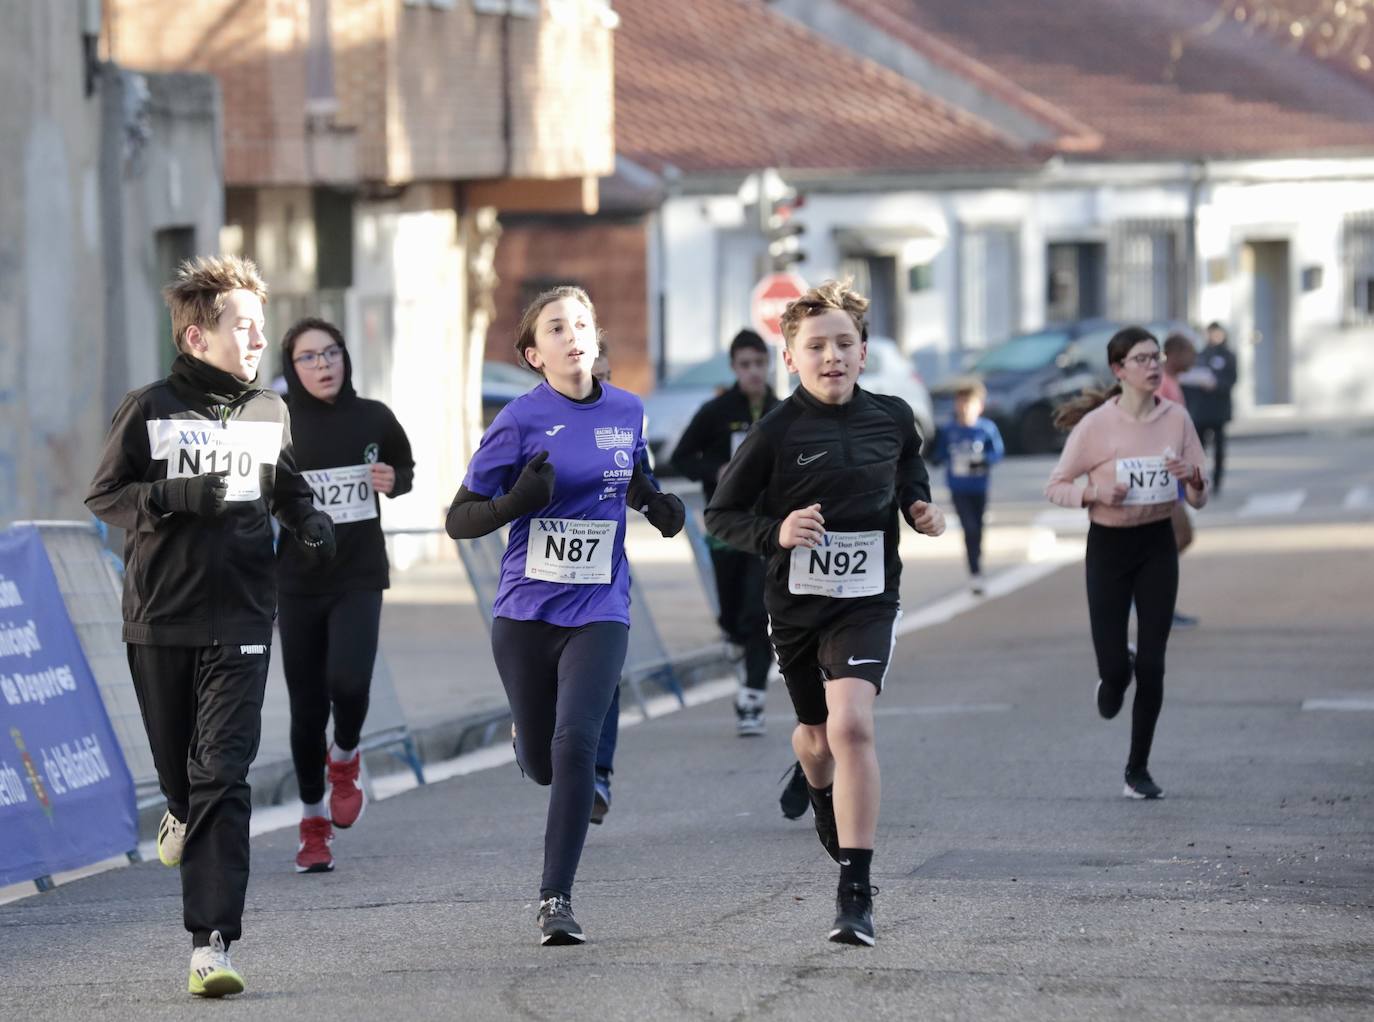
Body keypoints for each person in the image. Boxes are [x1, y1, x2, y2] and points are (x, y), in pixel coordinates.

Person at [86, 255, 335, 997]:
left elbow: (285, 489)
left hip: (246, 617)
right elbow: (106, 495)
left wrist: (310, 518)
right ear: (198, 338)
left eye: (263, 326)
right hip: (161, 618)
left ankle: (211, 943)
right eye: (244, 327)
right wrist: (172, 495)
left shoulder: (270, 412)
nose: (259, 340)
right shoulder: (149, 408)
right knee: (183, 782)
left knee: (221, 777)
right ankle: (175, 810)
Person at [705, 279, 946, 947]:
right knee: (815, 738)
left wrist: (918, 508)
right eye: (817, 346)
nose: (832, 356)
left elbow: (909, 471)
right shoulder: (774, 432)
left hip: (868, 599)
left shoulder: (894, 417)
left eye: (845, 343)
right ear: (792, 358)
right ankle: (818, 793)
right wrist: (776, 531)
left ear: (864, 352)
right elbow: (720, 516)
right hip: (798, 608)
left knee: (852, 726)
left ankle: (855, 889)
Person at [445, 285, 685, 945]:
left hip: (600, 605)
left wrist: (657, 506)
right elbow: (458, 518)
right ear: (533, 353)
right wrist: (515, 500)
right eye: (556, 327)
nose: (573, 334)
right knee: (547, 763)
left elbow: (630, 478)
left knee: (576, 745)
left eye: (582, 321)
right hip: (525, 611)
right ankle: (531, 742)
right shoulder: (519, 421)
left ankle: (556, 899)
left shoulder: (628, 411)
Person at [275, 317, 415, 873]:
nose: (323, 365)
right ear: (292, 367)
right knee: (307, 709)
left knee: (350, 681)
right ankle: (313, 824)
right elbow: (257, 493)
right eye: (308, 357)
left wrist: (393, 479)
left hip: (358, 573)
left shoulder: (373, 416)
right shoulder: (278, 425)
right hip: (299, 581)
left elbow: (404, 465)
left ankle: (347, 755)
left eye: (331, 353)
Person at [1046, 326, 1208, 802]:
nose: (1154, 365)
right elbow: (1056, 485)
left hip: (1157, 543)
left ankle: (1137, 768)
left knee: (1155, 665)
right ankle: (1116, 676)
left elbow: (1200, 494)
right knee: (1117, 667)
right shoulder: (1096, 426)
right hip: (1109, 548)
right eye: (1141, 359)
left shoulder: (1177, 419)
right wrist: (1095, 492)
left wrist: (1192, 478)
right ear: (1119, 370)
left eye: (1156, 357)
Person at [671, 328, 780, 735]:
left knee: (757, 615)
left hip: (767, 530)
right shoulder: (716, 411)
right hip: (723, 527)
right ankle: (733, 641)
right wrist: (716, 470)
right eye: (745, 365)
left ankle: (751, 700)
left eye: (759, 364)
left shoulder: (781, 411)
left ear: (768, 364)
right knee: (732, 617)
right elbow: (681, 457)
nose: (753, 372)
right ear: (734, 368)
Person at [930, 378, 1004, 596]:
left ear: (979, 406)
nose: (964, 408)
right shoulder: (949, 430)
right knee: (969, 528)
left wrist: (984, 460)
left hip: (979, 487)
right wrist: (935, 456)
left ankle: (977, 563)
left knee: (978, 529)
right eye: (960, 403)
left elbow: (997, 452)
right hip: (958, 488)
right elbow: (940, 453)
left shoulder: (986, 429)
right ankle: (974, 572)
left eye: (969, 403)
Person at [1161, 334, 1200, 629]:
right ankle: (1152, 598)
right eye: (1189, 353)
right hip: (1163, 472)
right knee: (1180, 535)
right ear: (1173, 353)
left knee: (1180, 537)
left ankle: (1158, 600)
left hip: (1175, 471)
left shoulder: (1171, 381)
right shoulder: (1161, 383)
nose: (1194, 360)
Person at [1180, 321, 1237, 496]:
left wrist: (1216, 384)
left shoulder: (1228, 355)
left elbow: (1231, 380)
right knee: (1199, 449)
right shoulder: (1200, 355)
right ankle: (1200, 479)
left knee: (1219, 447)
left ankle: (1218, 482)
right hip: (1201, 410)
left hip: (1219, 409)